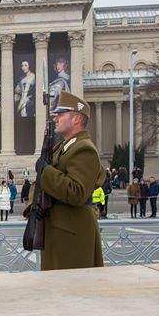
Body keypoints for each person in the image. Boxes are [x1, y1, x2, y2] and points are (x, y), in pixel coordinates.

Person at [26, 91, 104, 270]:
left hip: (72, 234)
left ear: (76, 118)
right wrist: (35, 205)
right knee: (56, 284)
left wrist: (46, 171)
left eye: (60, 114)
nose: (55, 118)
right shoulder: (63, 147)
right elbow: (43, 182)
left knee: (71, 285)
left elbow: (77, 192)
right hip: (59, 231)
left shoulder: (84, 149)